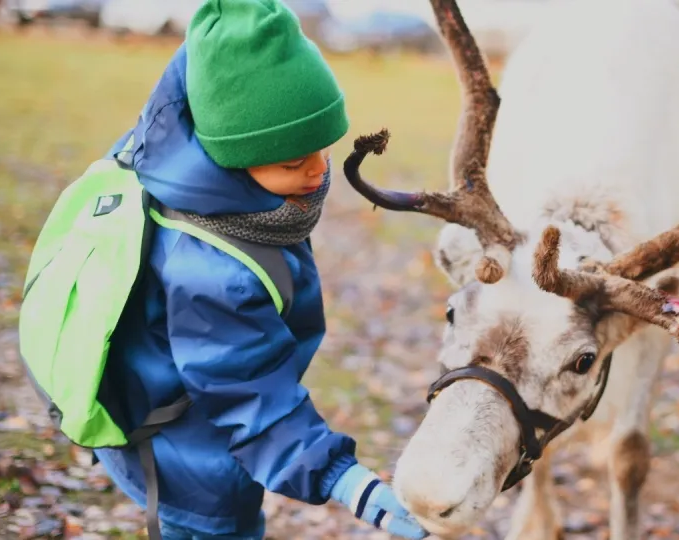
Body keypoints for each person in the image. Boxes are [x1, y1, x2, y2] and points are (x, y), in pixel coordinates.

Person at [91, 1, 429, 538]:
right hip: (190, 458)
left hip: (183, 413)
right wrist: (343, 479)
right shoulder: (212, 271)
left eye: (322, 148)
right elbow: (249, 393)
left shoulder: (193, 165)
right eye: (293, 162)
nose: (318, 171)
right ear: (231, 157)